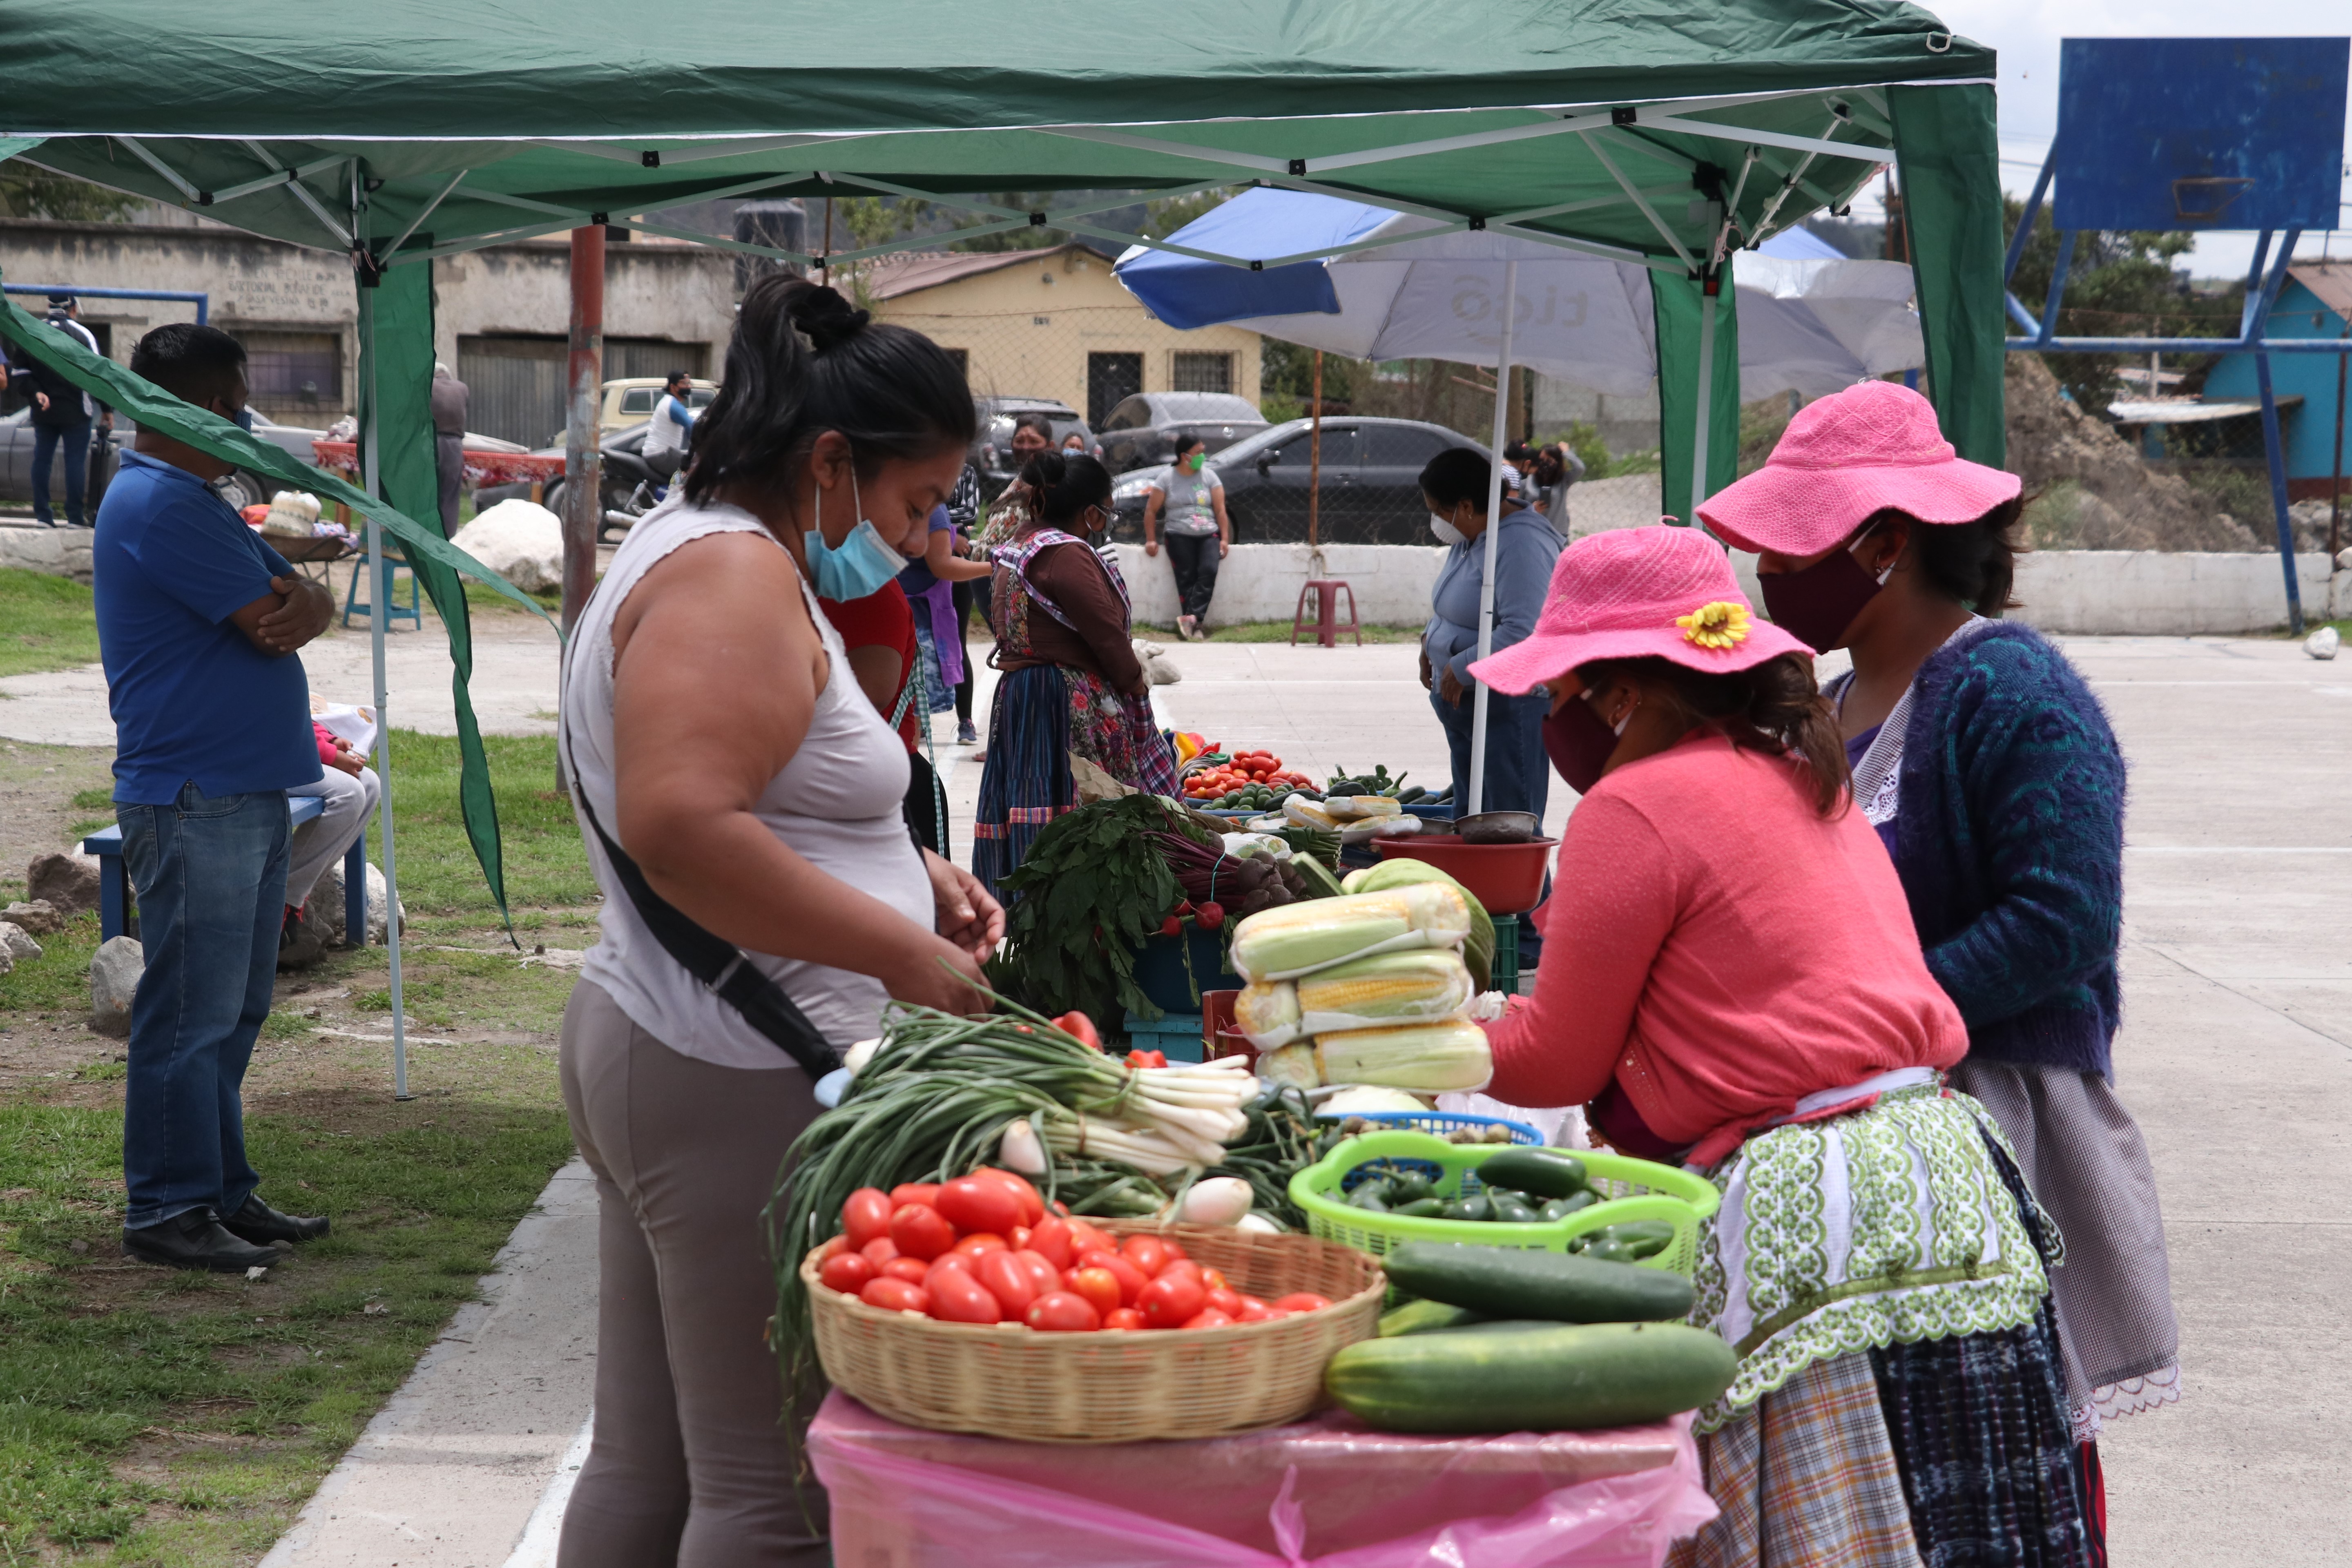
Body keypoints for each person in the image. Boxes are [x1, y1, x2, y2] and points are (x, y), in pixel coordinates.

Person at [1472, 525, 2091, 1568]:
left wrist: (1412, 1038)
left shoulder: (1632, 805)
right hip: (1951, 1180)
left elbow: (1556, 1060)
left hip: (1817, 1217)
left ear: (1619, 695)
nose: (1551, 719)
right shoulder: (1799, 770)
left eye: (1558, 690)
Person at [554, 275, 1002, 1566]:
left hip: (680, 1043)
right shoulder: (734, 576)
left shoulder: (703, 545)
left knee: (652, 1462)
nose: (920, 538)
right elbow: (685, 823)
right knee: (773, 1499)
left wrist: (906, 864)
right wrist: (899, 949)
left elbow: (747, 793)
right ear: (828, 461)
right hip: (738, 1063)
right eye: (916, 501)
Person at [1701, 378, 2177, 1556]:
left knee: (1988, 1443)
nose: (1766, 568)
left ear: (1882, 544)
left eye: (1789, 542)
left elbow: (2063, 919)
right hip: (1856, 1133)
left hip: (1995, 1126)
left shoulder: (2008, 688)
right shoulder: (1821, 703)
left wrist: (1872, 1024)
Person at [95, 322, 337, 1273]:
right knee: (191, 1011)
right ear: (204, 406)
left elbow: (297, 602)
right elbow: (273, 617)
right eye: (236, 407)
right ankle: (168, 1203)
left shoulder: (193, 497)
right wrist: (303, 596)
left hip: (240, 787)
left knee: (232, 1010)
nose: (244, 426)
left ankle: (221, 1187)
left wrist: (305, 595)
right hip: (198, 792)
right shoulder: (164, 501)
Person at [971, 450, 1178, 900]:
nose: (1106, 522)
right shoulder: (1066, 555)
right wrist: (1135, 681)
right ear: (1090, 512)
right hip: (1061, 698)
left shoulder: (1019, 545)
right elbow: (1107, 638)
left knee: (1031, 795)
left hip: (1020, 694)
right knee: (1075, 806)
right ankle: (1069, 909)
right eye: (1107, 511)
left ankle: (1027, 907)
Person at [1418, 446, 1559, 962]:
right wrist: (1430, 643)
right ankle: (1484, 929)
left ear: (1466, 505)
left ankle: (1528, 943)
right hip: (1466, 706)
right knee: (1474, 821)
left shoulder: (1522, 544)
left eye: (1439, 510)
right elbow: (1454, 605)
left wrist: (1461, 666)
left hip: (1507, 706)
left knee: (1509, 826)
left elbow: (1525, 630)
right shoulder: (1474, 536)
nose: (1436, 522)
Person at [279, 720, 382, 966]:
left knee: (368, 783)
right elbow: (271, 722)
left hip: (285, 750)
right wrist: (328, 754)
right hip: (254, 756)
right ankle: (278, 901)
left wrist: (329, 740)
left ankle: (286, 897)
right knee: (349, 792)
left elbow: (298, 713)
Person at [20, 294, 112, 528]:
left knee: (42, 460)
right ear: (73, 309)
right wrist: (107, 409)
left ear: (49, 306)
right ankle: (74, 517)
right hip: (76, 411)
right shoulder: (82, 334)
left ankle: (43, 515)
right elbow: (98, 374)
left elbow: (20, 372)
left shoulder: (32, 331)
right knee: (74, 462)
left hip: (44, 410)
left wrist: (36, 393)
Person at [1140, 432, 1231, 641]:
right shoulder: (1166, 479)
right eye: (1198, 452)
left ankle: (1191, 618)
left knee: (1209, 571)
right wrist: (1151, 539)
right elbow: (1151, 511)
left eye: (1203, 451)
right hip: (1178, 534)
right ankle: (1196, 626)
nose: (1202, 456)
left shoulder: (1210, 477)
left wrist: (1225, 539)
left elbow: (1220, 510)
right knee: (1186, 577)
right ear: (1184, 456)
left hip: (1208, 533)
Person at [430, 361, 469, 535]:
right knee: (450, 496)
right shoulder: (462, 388)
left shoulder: (427, 386)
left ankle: (425, 537)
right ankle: (447, 539)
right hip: (455, 445)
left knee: (428, 492)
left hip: (430, 442)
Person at [643, 368, 697, 485]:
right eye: (684, 383)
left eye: (689, 383)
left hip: (660, 453)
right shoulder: (673, 405)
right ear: (673, 387)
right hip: (661, 454)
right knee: (695, 472)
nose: (688, 386)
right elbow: (691, 427)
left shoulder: (669, 402)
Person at [1531, 439, 1586, 536]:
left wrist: (1566, 453)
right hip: (1535, 532)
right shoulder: (1529, 480)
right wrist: (1531, 509)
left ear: (1557, 462)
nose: (1545, 464)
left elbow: (1580, 468)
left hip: (1558, 534)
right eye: (1542, 460)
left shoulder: (1564, 480)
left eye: (1549, 460)